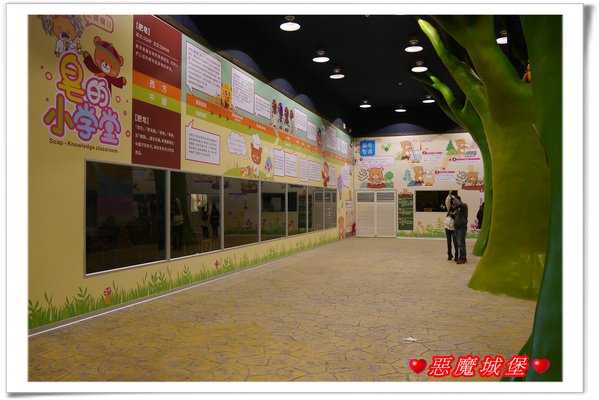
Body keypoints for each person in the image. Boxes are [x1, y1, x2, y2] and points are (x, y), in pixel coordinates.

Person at [451, 194, 468, 264]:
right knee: (458, 243)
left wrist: (454, 198)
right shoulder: (457, 209)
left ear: (458, 200)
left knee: (461, 243)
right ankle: (462, 257)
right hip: (457, 228)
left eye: (454, 201)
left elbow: (459, 204)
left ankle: (463, 258)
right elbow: (455, 218)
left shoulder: (464, 206)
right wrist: (452, 215)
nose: (454, 203)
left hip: (462, 227)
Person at [444, 191, 458, 261]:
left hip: (454, 229)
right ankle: (449, 254)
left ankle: (456, 255)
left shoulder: (458, 210)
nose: (453, 205)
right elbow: (447, 202)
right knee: (448, 242)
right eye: (452, 203)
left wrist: (452, 215)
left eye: (454, 203)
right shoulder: (449, 209)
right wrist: (449, 195)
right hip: (447, 228)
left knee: (455, 242)